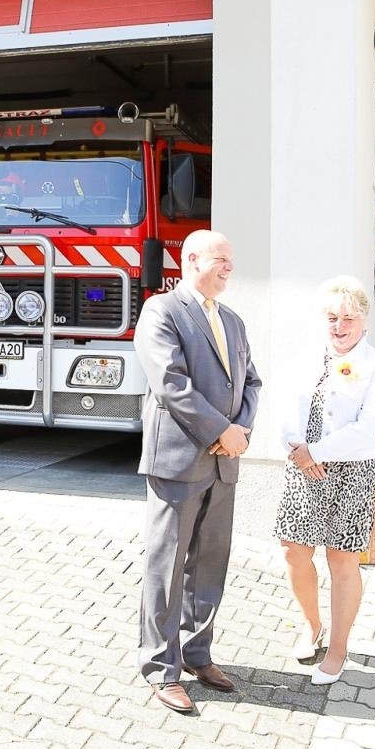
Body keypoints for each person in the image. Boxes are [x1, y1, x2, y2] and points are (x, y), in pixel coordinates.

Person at [135, 229, 261, 714]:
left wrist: (240, 430)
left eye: (231, 259)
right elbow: (170, 384)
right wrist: (220, 430)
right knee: (166, 565)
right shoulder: (162, 311)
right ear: (191, 260)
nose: (229, 266)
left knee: (210, 562)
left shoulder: (233, 320)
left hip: (224, 462)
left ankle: (196, 653)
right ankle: (159, 666)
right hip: (179, 459)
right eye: (220, 258)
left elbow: (252, 381)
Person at [275, 276, 375, 684]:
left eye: (348, 319)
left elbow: (368, 428)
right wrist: (296, 448)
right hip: (303, 466)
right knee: (294, 551)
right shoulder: (307, 357)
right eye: (332, 318)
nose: (339, 326)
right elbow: (286, 409)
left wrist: (317, 452)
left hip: (349, 472)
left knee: (341, 559)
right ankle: (312, 625)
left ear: (364, 321)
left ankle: (339, 648)